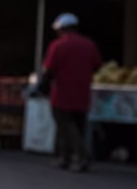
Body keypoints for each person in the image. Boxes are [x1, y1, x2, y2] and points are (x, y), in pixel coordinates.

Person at [42, 13, 101, 172]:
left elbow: (49, 69)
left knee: (65, 125)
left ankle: (81, 156)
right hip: (82, 92)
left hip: (62, 91)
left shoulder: (58, 45)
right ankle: (64, 157)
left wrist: (42, 86)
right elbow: (97, 65)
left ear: (61, 29)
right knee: (77, 124)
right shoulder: (89, 44)